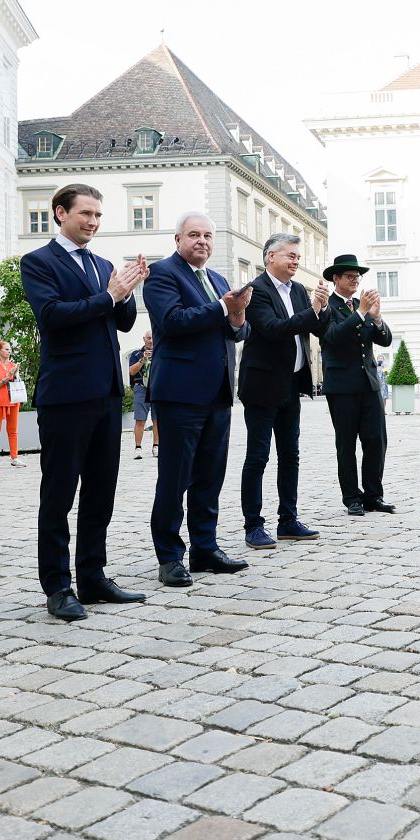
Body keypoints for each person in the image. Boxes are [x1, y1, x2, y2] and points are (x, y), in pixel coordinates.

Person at [21, 183, 151, 621]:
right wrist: (109, 296)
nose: (93, 222)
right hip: (65, 394)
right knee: (58, 495)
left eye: (98, 215)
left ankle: (93, 576)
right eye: (85, 214)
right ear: (60, 213)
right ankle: (57, 586)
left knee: (101, 493)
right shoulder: (38, 262)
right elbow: (54, 317)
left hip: (106, 392)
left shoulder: (103, 264)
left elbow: (123, 321)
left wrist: (127, 293)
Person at [144, 212, 252, 585]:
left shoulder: (219, 279)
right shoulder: (162, 274)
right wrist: (224, 308)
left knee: (210, 477)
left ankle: (205, 548)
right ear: (178, 240)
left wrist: (237, 317)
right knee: (175, 479)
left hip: (218, 393)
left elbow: (236, 333)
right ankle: (170, 557)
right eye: (194, 235)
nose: (202, 241)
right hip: (179, 394)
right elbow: (173, 321)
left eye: (208, 235)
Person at [238, 232, 330, 549]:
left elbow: (317, 328)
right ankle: (253, 526)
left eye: (297, 257)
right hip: (263, 386)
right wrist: (312, 310)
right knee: (258, 457)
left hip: (292, 384)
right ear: (270, 257)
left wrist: (324, 307)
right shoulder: (256, 291)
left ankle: (288, 520)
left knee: (290, 456)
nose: (296, 261)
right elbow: (275, 330)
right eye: (290, 255)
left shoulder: (299, 292)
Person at [318, 253, 394, 515]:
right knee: (346, 444)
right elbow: (333, 337)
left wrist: (376, 317)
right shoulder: (326, 306)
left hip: (368, 383)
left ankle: (374, 495)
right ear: (336, 279)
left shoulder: (362, 308)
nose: (355, 280)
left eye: (357, 277)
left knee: (376, 440)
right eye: (350, 276)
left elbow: (384, 340)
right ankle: (352, 497)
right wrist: (361, 312)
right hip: (341, 386)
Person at [0, 340, 24, 471]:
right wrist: (7, 378)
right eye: (6, 349)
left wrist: (15, 374)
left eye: (10, 349)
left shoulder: (13, 365)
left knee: (13, 431)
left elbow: (17, 383)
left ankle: (14, 458)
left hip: (12, 401)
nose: (9, 351)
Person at [128, 333, 155, 460]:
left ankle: (156, 446)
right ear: (144, 339)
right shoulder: (136, 354)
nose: (151, 340)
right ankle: (138, 448)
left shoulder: (161, 351)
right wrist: (143, 359)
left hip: (156, 388)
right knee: (140, 419)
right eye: (149, 338)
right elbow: (131, 371)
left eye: (153, 337)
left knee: (157, 419)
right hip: (141, 388)